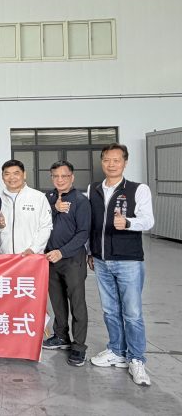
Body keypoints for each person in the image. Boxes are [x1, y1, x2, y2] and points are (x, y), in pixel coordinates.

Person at [87, 143, 155, 386]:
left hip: (128, 260)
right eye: (107, 160)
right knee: (109, 310)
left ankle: (136, 359)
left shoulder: (138, 189)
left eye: (116, 160)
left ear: (125, 162)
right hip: (101, 260)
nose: (111, 164)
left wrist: (128, 223)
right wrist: (90, 252)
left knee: (133, 313)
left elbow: (148, 221)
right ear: (102, 162)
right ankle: (116, 350)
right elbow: (92, 224)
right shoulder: (93, 189)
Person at [41, 161, 91, 367]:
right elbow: (41, 223)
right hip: (50, 258)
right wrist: (54, 209)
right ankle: (61, 336)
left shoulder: (80, 201)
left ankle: (79, 347)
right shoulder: (48, 198)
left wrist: (62, 252)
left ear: (72, 177)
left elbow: (83, 233)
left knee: (77, 303)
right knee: (57, 301)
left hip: (72, 260)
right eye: (56, 176)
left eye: (64, 176)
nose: (60, 180)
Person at [0, 159, 52, 256]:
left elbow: (46, 227)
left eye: (16, 173)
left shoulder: (38, 197)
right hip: (5, 257)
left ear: (24, 174)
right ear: (2, 177)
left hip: (31, 256)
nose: (12, 177)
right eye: (7, 174)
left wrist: (33, 249)